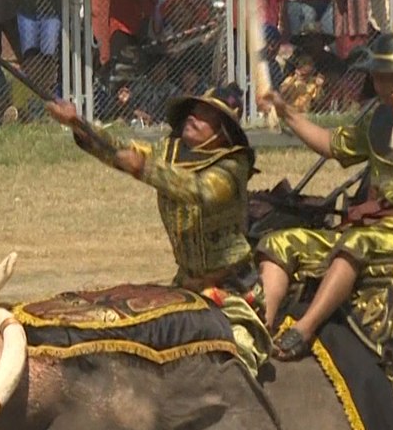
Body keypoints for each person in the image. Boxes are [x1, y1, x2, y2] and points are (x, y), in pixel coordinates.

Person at [255, 32, 393, 360]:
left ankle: (303, 329)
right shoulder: (378, 118)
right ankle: (262, 328)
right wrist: (287, 113)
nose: (374, 83)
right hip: (368, 226)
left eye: (380, 77)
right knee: (278, 243)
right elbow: (332, 145)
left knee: (355, 245)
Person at [46, 84, 271, 375]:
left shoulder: (232, 165)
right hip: (186, 286)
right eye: (194, 110)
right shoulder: (169, 151)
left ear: (222, 131)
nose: (194, 117)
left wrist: (145, 168)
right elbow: (120, 150)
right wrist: (77, 123)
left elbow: (198, 189)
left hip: (232, 291)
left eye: (206, 115)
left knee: (237, 353)